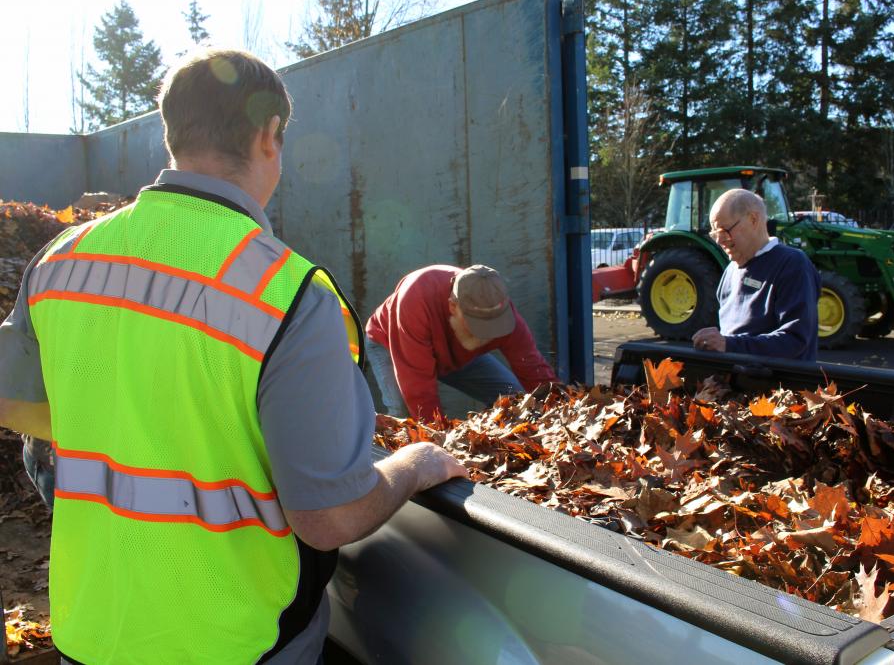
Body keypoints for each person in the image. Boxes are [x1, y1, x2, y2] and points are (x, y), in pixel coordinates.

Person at [0, 48, 466, 663]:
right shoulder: (289, 294)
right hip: (236, 644)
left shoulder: (64, 259)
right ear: (269, 136)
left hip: (92, 632)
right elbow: (329, 516)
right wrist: (417, 465)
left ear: (173, 133)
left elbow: (15, 401)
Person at [365, 264, 558, 421]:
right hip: (393, 344)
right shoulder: (415, 302)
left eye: (493, 326)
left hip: (457, 354)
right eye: (479, 326)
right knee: (406, 416)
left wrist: (563, 410)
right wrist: (437, 443)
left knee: (516, 400)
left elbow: (534, 370)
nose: (487, 335)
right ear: (453, 306)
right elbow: (419, 392)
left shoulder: (503, 312)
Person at [692, 188, 821, 361]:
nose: (719, 240)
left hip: (780, 385)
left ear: (753, 219)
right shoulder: (730, 271)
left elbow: (794, 341)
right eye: (715, 233)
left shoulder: (792, 264)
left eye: (724, 230)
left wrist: (728, 345)